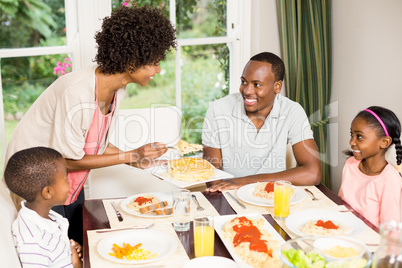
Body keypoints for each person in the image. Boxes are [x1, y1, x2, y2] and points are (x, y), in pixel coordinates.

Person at [3, 5, 177, 244]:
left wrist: (142, 162)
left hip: (64, 179)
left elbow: (95, 145)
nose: (158, 69)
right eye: (155, 62)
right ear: (131, 62)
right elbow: (66, 159)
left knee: (80, 243)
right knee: (62, 249)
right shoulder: (77, 92)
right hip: (37, 184)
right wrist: (130, 155)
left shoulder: (118, 89)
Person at [202, 52, 321, 192]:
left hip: (273, 195)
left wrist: (245, 182)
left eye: (256, 85)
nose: (246, 91)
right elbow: (212, 175)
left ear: (277, 87)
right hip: (230, 195)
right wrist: (237, 189)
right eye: (243, 82)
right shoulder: (218, 109)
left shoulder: (292, 111)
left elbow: (313, 173)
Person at [4, 147, 82, 268]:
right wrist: (76, 265)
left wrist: (69, 248)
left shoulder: (47, 217)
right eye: (66, 179)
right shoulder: (33, 241)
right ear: (48, 192)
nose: (70, 183)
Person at [338, 106, 402, 227]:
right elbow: (341, 203)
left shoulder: (390, 181)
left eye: (359, 136)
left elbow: (389, 231)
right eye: (352, 134)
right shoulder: (351, 164)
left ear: (384, 142)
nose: (351, 142)